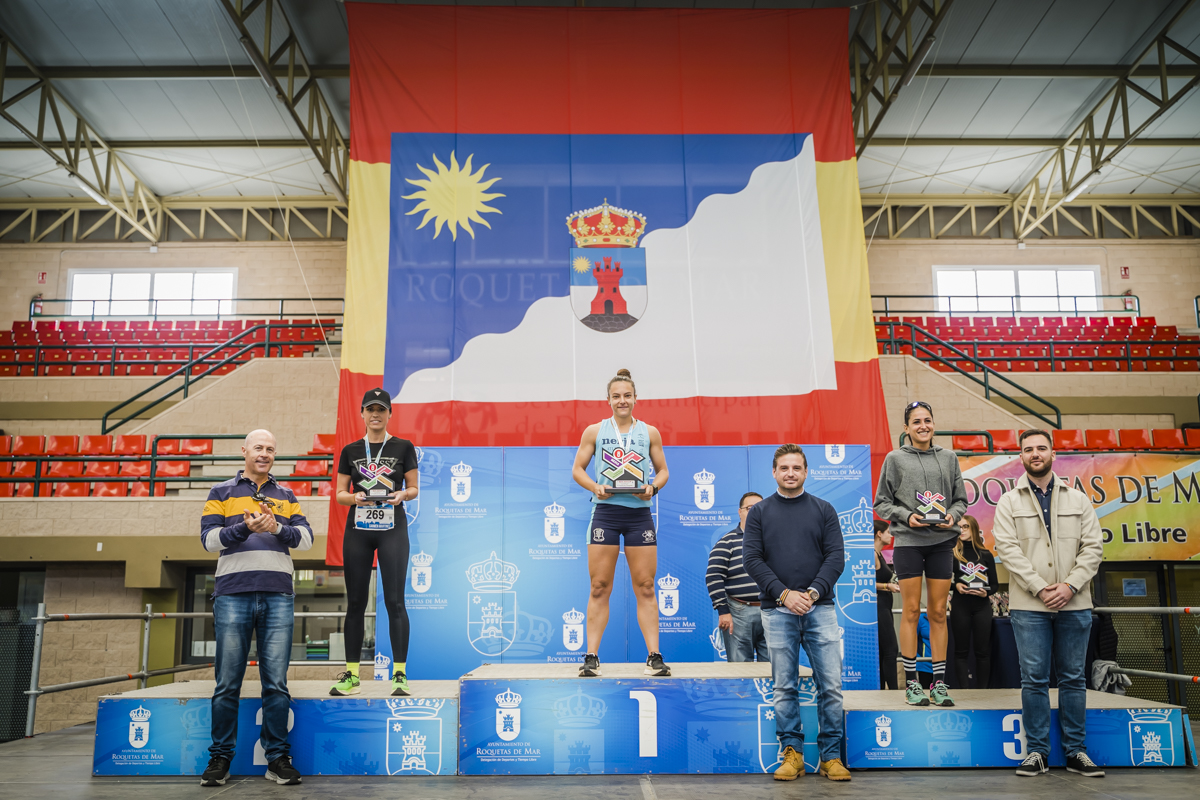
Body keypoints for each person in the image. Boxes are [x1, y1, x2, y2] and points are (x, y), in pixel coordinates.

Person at [199, 430, 313, 787]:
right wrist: (243, 529)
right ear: (244, 451)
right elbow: (208, 540)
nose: (264, 454)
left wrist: (277, 527)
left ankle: (277, 758)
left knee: (276, 684)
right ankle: (220, 758)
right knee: (226, 683)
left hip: (278, 594)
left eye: (270, 449)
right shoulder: (220, 492)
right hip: (233, 594)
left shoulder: (287, 495)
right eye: (258, 448)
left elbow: (307, 540)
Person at [993, 429, 1105, 779]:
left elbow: (1094, 548)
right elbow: (1007, 550)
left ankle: (1076, 752)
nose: (1035, 453)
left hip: (1075, 602)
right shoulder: (1008, 502)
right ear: (1021, 457)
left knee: (1073, 678)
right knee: (1034, 680)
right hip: (1029, 605)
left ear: (1053, 454)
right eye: (1028, 449)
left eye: (1042, 448)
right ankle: (1037, 752)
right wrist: (1041, 588)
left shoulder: (1079, 499)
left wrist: (1070, 586)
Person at [742, 444, 850, 782]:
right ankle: (793, 754)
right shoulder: (759, 512)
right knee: (784, 686)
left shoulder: (824, 509)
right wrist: (785, 595)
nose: (791, 473)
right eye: (784, 468)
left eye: (796, 468)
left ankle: (831, 756)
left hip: (821, 609)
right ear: (774, 472)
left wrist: (813, 593)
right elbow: (752, 560)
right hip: (777, 611)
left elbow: (836, 557)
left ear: (806, 472)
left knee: (830, 685)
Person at [571, 368, 670, 677]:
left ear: (636, 398)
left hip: (639, 514)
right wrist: (594, 487)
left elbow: (663, 471)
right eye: (616, 396)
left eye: (627, 395)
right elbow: (577, 469)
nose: (622, 401)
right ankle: (591, 657)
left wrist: (652, 488)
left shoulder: (650, 432)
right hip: (606, 513)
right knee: (599, 586)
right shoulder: (594, 431)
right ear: (608, 400)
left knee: (646, 586)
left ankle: (654, 656)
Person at [874, 400, 967, 708]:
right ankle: (913, 684)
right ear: (906, 428)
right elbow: (881, 503)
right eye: (916, 421)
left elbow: (961, 500)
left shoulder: (949, 458)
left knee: (938, 612)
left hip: (942, 543)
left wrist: (953, 516)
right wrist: (906, 516)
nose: (923, 426)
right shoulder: (895, 459)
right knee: (911, 611)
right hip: (909, 542)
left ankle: (939, 685)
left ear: (933, 424)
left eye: (927, 420)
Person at [329, 389, 419, 698]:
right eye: (370, 409)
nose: (376, 414)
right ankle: (352, 675)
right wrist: (354, 497)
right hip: (359, 528)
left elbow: (414, 487)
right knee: (355, 603)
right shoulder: (351, 450)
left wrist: (402, 494)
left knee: (395, 601)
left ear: (390, 413)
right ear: (362, 413)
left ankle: (399, 675)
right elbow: (340, 494)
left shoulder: (404, 446)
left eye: (381, 409)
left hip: (392, 526)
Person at [707, 492, 768, 662]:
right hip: (738, 613)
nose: (755, 512)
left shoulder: (775, 542)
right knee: (740, 669)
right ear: (740, 512)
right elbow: (713, 576)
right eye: (750, 508)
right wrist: (723, 611)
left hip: (772, 611)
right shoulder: (727, 542)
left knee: (774, 669)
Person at [950, 514, 999, 689]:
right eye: (959, 527)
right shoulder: (952, 554)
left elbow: (994, 585)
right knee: (961, 651)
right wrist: (956, 586)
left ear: (974, 529)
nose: (962, 530)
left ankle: (983, 693)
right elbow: (943, 581)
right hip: (960, 605)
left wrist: (986, 593)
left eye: (965, 527)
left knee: (982, 652)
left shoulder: (986, 554)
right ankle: (964, 692)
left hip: (981, 607)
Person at [874, 520, 900, 689]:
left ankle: (883, 689)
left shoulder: (879, 554)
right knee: (891, 649)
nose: (891, 536)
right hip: (878, 606)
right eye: (888, 532)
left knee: (884, 651)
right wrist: (887, 586)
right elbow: (865, 582)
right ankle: (894, 690)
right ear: (879, 534)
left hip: (885, 605)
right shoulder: (872, 555)